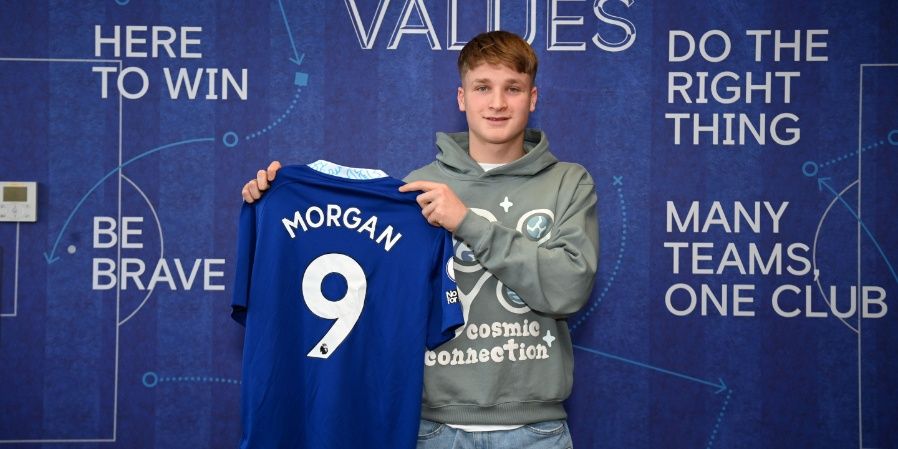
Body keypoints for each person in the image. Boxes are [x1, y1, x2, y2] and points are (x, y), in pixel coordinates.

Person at [242, 30, 598, 449]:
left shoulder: (568, 183)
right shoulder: (417, 190)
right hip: (434, 429)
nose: (498, 103)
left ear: (532, 98)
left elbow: (568, 289)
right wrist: (272, 202)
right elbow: (364, 291)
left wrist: (466, 221)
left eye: (513, 89)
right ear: (462, 98)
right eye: (482, 87)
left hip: (536, 430)